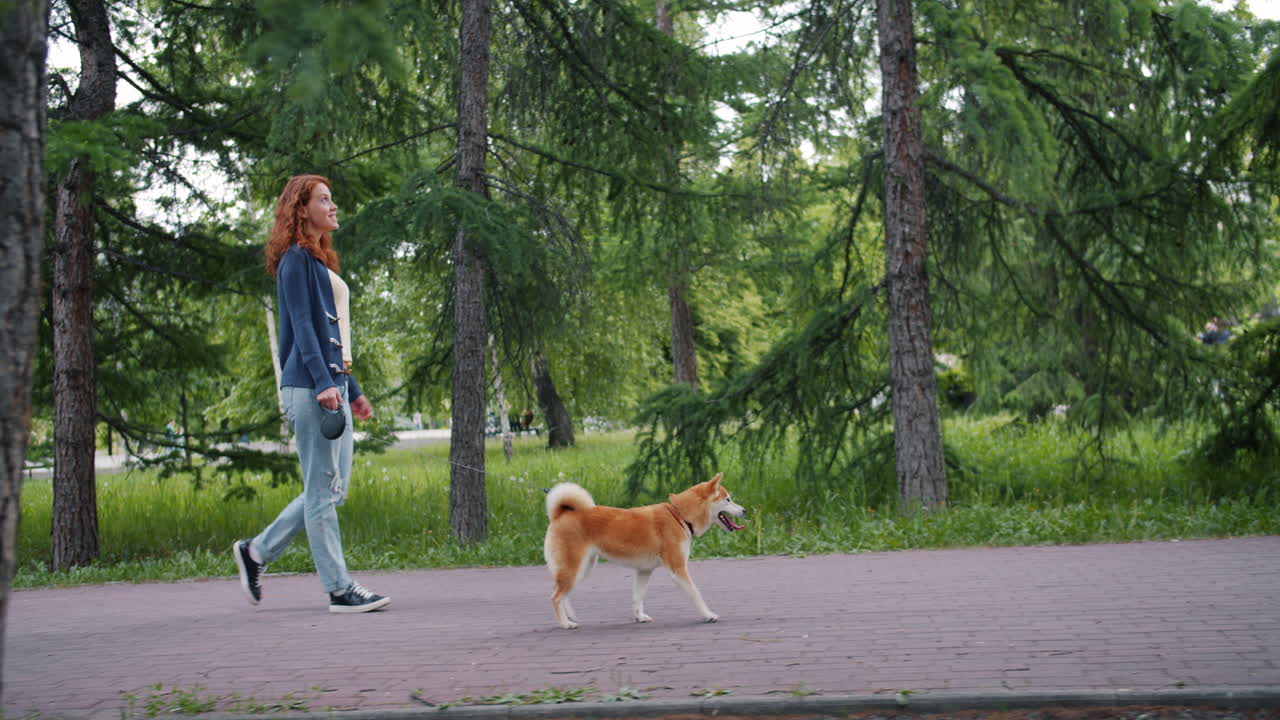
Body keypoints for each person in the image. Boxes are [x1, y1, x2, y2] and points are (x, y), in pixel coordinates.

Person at [232, 175, 390, 614]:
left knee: (331, 491)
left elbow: (332, 333)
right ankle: (339, 589)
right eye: (324, 199)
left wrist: (350, 389)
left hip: (330, 384)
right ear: (301, 210)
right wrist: (323, 383)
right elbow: (302, 328)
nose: (333, 206)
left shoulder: (318, 262)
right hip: (308, 385)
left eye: (332, 198)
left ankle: (256, 551)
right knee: (322, 491)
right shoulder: (296, 261)